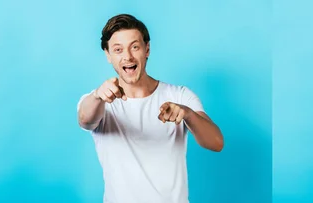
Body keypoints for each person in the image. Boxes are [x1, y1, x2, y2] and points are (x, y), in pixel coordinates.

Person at [77, 14, 224, 203]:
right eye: (118, 49)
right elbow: (85, 119)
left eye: (135, 47)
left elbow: (216, 143)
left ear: (147, 49)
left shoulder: (180, 95)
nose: (127, 56)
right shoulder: (98, 101)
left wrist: (187, 114)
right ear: (108, 55)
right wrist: (98, 96)